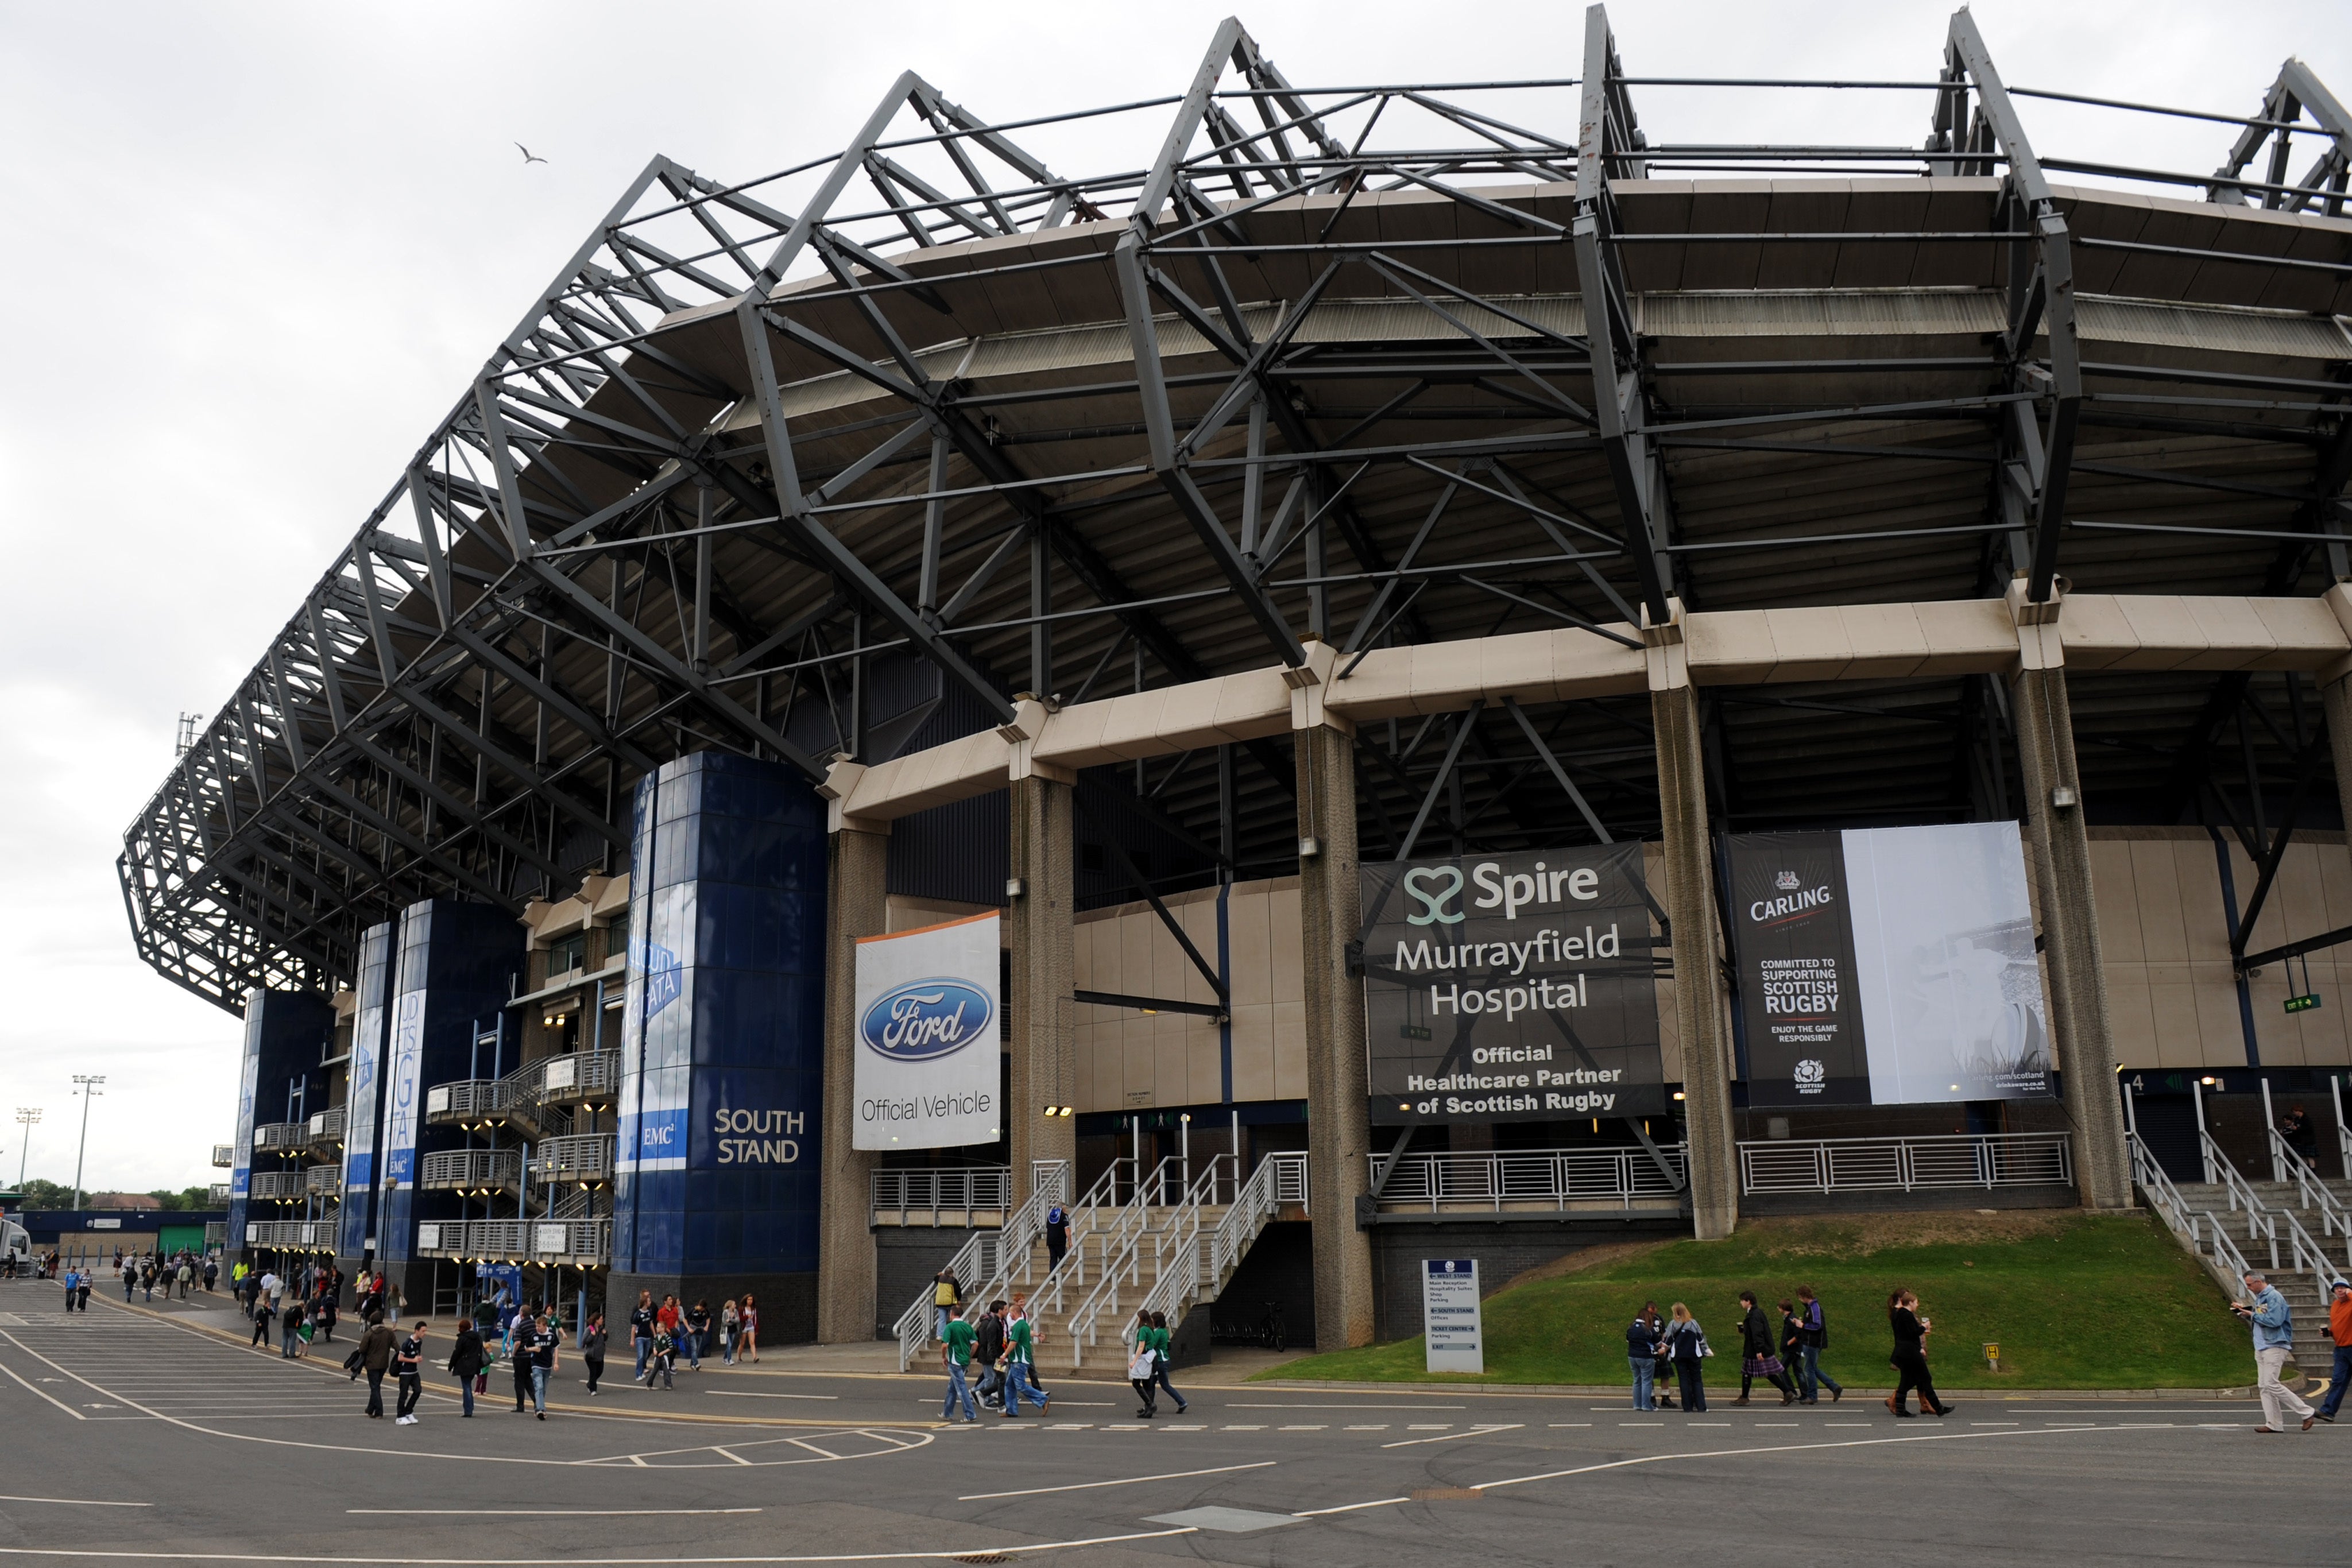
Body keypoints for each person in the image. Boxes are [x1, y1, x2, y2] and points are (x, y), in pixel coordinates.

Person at [2233, 1269, 2315, 1433]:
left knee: (2271, 1383)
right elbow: (2263, 1317)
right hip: (2262, 1345)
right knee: (2264, 1386)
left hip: (2274, 1345)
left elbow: (2275, 1321)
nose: (2248, 1287)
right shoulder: (2262, 1298)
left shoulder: (2274, 1296)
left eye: (2249, 1284)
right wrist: (2246, 1313)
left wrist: (2252, 1314)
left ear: (2258, 1282)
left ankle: (2306, 1412)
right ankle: (2274, 1423)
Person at [1887, 1289, 1951, 1418]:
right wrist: (1924, 1327)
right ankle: (1938, 1408)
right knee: (1926, 1378)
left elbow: (1905, 1334)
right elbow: (1913, 1333)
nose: (1918, 1305)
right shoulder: (1907, 1315)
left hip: (1903, 1352)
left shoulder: (1898, 1314)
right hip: (1910, 1352)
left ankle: (1900, 1409)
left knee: (1906, 1381)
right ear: (1910, 1303)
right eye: (1916, 1302)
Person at [1734, 1290, 1798, 1406]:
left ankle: (1788, 1393)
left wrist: (1759, 1351)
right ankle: (1745, 1396)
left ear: (1748, 1302)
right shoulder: (1757, 1313)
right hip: (1757, 1349)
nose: (1741, 1303)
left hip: (1757, 1350)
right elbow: (1755, 1331)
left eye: (1742, 1301)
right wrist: (1744, 1330)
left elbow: (1758, 1333)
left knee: (1763, 1373)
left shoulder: (1754, 1315)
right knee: (1757, 1372)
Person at [1000, 1299, 1049, 1419]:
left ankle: (1043, 1400)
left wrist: (1004, 1355)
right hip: (1020, 1360)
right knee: (1009, 1385)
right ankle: (1011, 1410)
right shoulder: (1025, 1325)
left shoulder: (1018, 1326)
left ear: (1015, 1313)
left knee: (1020, 1386)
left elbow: (1013, 1342)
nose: (1009, 1315)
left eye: (1011, 1313)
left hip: (1019, 1360)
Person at [1794, 1285, 1842, 1404]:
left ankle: (1813, 1396)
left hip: (1813, 1343)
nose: (1800, 1300)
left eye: (1800, 1297)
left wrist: (1803, 1326)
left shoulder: (1815, 1308)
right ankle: (1835, 1387)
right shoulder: (1810, 1308)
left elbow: (1818, 1325)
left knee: (1809, 1370)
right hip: (1811, 1342)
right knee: (1813, 1368)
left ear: (1804, 1296)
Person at [2315, 1279, 2352, 1424]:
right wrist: (2329, 1333)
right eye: (2337, 1288)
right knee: (2338, 1381)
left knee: (2339, 1381)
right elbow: (2339, 1326)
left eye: (2344, 1288)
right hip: (2341, 1349)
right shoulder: (2336, 1305)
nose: (2340, 1290)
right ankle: (2328, 1411)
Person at [1662, 1302, 1708, 1412]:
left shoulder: (1673, 1324)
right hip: (1693, 1355)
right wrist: (1705, 1350)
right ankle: (1701, 1406)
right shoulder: (1693, 1323)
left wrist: (1663, 1349)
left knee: (1683, 1380)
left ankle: (1687, 1407)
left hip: (1679, 1355)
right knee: (1697, 1380)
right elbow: (1701, 1338)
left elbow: (1668, 1340)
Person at [941, 1303, 980, 1422]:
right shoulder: (968, 1327)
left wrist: (944, 1357)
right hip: (964, 1361)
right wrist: (969, 1356)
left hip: (954, 1361)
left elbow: (944, 1346)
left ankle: (970, 1414)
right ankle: (947, 1413)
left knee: (961, 1388)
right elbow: (976, 1344)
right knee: (952, 1387)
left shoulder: (950, 1327)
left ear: (951, 1314)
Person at [357, 1311, 399, 1420]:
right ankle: (370, 1409)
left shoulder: (369, 1333)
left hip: (372, 1364)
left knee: (375, 1387)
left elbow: (362, 1349)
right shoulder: (389, 1333)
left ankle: (379, 1411)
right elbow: (397, 1348)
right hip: (384, 1364)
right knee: (376, 1386)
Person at [1147, 1310, 1188, 1415]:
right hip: (1163, 1361)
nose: (1151, 1321)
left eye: (1152, 1319)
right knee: (1151, 1384)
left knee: (1164, 1385)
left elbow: (1152, 1344)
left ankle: (1182, 1402)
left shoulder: (1158, 1332)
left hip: (1160, 1362)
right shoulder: (1164, 1331)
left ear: (1156, 1321)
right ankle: (1149, 1405)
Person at [972, 1300, 1007, 1410]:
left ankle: (977, 1392)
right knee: (991, 1378)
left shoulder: (1001, 1322)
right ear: (999, 1310)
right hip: (990, 1356)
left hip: (998, 1355)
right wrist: (992, 1357)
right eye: (1005, 1309)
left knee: (998, 1379)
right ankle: (983, 1397)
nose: (1007, 1312)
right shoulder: (989, 1323)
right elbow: (987, 1342)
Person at [447, 1317, 485, 1418]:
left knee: (466, 1386)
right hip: (475, 1365)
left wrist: (451, 1366)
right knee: (468, 1385)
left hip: (464, 1365)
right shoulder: (477, 1337)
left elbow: (456, 1353)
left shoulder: (462, 1339)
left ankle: (468, 1410)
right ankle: (470, 1408)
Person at [1627, 1303, 1662, 1411]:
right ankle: (1646, 1405)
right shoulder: (1648, 1329)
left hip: (1632, 1356)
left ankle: (1637, 1405)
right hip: (1646, 1357)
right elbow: (1658, 1343)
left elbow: (1628, 1340)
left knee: (1637, 1381)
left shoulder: (1631, 1328)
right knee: (1646, 1381)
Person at [394, 1319, 430, 1425]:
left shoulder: (420, 1342)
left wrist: (418, 1359)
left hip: (414, 1371)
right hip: (405, 1372)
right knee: (403, 1394)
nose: (424, 1334)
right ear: (416, 1331)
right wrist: (413, 1360)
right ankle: (400, 1417)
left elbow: (416, 1354)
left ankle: (408, 1411)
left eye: (425, 1331)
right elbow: (400, 1358)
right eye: (423, 1331)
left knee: (418, 1391)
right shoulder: (407, 1343)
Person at [526, 1312, 559, 1420]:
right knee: (539, 1387)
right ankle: (541, 1410)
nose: (537, 1328)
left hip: (548, 1365)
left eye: (539, 1326)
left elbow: (556, 1348)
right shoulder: (533, 1335)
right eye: (536, 1326)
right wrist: (533, 1349)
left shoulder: (552, 1334)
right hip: (536, 1365)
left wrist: (556, 1363)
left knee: (543, 1390)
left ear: (545, 1326)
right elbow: (526, 1348)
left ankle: (537, 1408)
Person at [1128, 1309, 1159, 1418]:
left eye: (1138, 1317)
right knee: (1146, 1384)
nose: (1137, 1319)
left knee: (1136, 1383)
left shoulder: (1143, 1330)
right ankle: (1148, 1409)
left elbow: (1141, 1346)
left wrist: (1134, 1361)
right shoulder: (1150, 1329)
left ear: (1141, 1318)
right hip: (1150, 1358)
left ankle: (1150, 1405)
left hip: (1144, 1359)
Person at [629, 1290, 656, 1381]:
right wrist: (632, 1340)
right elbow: (634, 1328)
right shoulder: (638, 1314)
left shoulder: (649, 1313)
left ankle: (642, 1372)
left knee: (645, 1356)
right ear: (645, 1302)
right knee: (640, 1356)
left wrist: (655, 1334)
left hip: (648, 1337)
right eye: (649, 1301)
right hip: (640, 1337)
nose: (650, 1302)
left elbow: (651, 1324)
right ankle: (638, 1374)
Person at [644, 1321, 676, 1391]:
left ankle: (668, 1385)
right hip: (658, 1356)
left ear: (663, 1328)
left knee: (666, 1370)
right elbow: (655, 1345)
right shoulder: (657, 1337)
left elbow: (671, 1347)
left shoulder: (667, 1337)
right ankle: (649, 1384)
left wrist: (663, 1353)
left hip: (664, 1356)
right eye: (657, 1327)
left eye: (659, 1327)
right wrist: (655, 1350)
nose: (657, 1328)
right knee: (655, 1370)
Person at [582, 1312, 607, 1396]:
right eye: (601, 1319)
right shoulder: (590, 1329)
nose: (602, 1321)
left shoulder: (601, 1328)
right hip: (591, 1355)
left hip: (600, 1355)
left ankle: (590, 1383)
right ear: (596, 1320)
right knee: (593, 1372)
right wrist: (592, 1336)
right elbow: (584, 1341)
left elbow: (605, 1339)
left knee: (600, 1371)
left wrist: (605, 1334)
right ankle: (593, 1389)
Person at [932, 1270, 961, 1342]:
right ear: (952, 1274)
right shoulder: (953, 1281)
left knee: (942, 1319)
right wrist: (959, 1300)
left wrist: (939, 1274)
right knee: (953, 1318)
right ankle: (952, 1335)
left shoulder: (940, 1279)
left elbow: (935, 1278)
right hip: (950, 1303)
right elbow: (958, 1291)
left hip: (940, 1303)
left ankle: (940, 1335)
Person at [685, 1300, 710, 1372]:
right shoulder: (693, 1310)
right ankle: (696, 1364)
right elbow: (685, 1319)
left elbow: (708, 1318)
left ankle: (692, 1364)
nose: (702, 1310)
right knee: (694, 1348)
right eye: (702, 1308)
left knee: (697, 1349)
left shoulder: (705, 1311)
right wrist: (689, 1328)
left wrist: (707, 1326)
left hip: (700, 1332)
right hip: (693, 1331)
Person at [1045, 1203, 1069, 1272]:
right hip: (1060, 1241)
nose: (1066, 1210)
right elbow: (1067, 1229)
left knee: (1053, 1259)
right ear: (1063, 1208)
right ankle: (1055, 1272)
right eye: (1065, 1208)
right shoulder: (1064, 1216)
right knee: (1064, 1259)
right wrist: (1070, 1242)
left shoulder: (1050, 1216)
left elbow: (1047, 1227)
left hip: (1050, 1241)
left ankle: (1052, 1279)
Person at [740, 1294, 760, 1363]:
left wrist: (757, 1328)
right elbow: (739, 1319)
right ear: (746, 1300)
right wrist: (747, 1317)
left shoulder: (754, 1309)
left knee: (752, 1342)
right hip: (744, 1328)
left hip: (751, 1327)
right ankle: (739, 1357)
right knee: (742, 1344)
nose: (750, 1301)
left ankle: (755, 1357)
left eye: (751, 1300)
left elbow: (756, 1319)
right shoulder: (742, 1308)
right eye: (749, 1300)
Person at [719, 1299, 740, 1366]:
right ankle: (729, 1360)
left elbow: (738, 1320)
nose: (735, 1306)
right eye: (734, 1304)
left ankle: (725, 1358)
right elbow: (724, 1323)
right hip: (727, 1331)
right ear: (730, 1305)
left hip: (733, 1331)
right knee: (729, 1345)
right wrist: (733, 1323)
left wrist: (730, 1320)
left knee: (729, 1346)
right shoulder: (725, 1312)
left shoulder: (736, 1311)